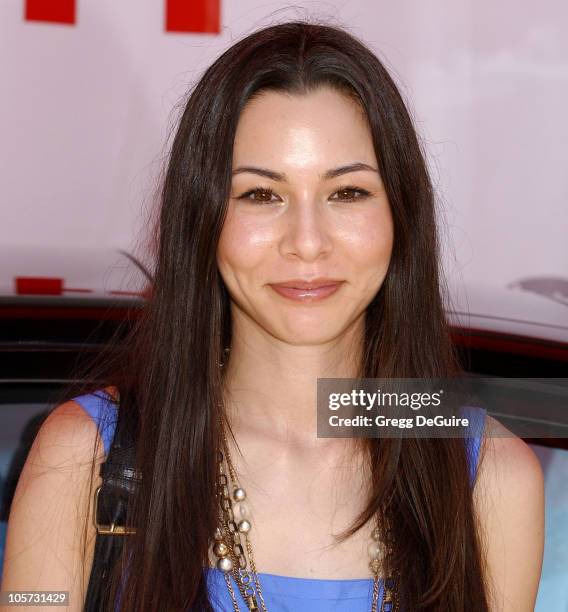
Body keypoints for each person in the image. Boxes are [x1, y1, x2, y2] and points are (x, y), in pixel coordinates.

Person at [1, 19, 544, 611]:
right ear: (202, 220)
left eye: (347, 193)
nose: (307, 243)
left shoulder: (490, 476)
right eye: (261, 195)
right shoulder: (85, 454)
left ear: (400, 215)